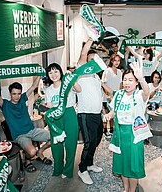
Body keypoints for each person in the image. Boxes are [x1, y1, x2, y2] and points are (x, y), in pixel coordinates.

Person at [104, 59, 150, 192]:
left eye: (131, 80)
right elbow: (113, 112)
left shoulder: (139, 95)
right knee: (123, 163)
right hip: (120, 133)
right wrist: (108, 116)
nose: (127, 83)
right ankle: (125, 189)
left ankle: (132, 189)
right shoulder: (118, 95)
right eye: (125, 80)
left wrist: (142, 79)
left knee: (133, 164)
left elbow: (147, 91)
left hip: (134, 134)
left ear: (136, 82)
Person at [0, 77, 52, 172]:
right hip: (20, 135)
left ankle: (40, 152)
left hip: (32, 131)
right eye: (14, 94)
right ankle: (27, 161)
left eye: (19, 93)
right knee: (32, 152)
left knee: (55, 137)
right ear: (10, 94)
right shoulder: (5, 105)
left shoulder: (23, 99)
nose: (17, 96)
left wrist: (39, 74)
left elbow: (33, 86)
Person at [44, 63, 81, 178]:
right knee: (56, 145)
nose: (53, 75)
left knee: (71, 144)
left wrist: (72, 79)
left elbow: (79, 90)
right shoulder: (48, 90)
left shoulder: (67, 85)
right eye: (50, 72)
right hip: (56, 116)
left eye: (56, 71)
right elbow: (50, 106)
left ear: (60, 72)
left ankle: (68, 170)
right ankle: (58, 168)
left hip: (69, 114)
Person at [77, 39, 104, 185]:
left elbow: (99, 95)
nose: (94, 63)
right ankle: (82, 169)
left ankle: (89, 163)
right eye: (91, 60)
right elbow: (83, 53)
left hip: (97, 114)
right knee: (89, 142)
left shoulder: (96, 77)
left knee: (96, 140)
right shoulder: (82, 72)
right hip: (86, 114)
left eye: (96, 60)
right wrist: (91, 38)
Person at [101, 54, 123, 138]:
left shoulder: (120, 72)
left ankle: (112, 130)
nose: (117, 62)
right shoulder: (107, 71)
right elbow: (103, 84)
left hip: (116, 96)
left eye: (118, 60)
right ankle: (105, 130)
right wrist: (107, 95)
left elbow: (121, 84)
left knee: (114, 113)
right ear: (111, 61)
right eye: (115, 60)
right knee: (106, 114)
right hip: (107, 96)